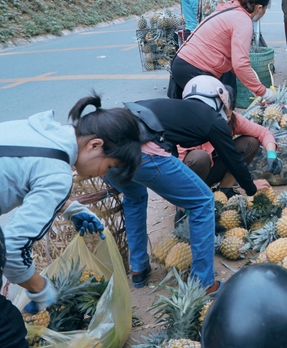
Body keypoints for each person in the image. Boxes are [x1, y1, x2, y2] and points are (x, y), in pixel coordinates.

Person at [105, 76, 273, 292]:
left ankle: (138, 268)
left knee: (134, 199)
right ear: (219, 99)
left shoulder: (175, 109)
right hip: (144, 154)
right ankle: (204, 283)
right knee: (203, 202)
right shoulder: (210, 118)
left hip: (108, 154)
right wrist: (251, 189)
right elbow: (233, 159)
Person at [0, 96, 141, 341]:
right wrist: (39, 288)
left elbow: (21, 174)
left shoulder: (39, 129)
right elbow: (12, 249)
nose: (104, 174)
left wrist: (68, 207)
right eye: (109, 166)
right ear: (95, 145)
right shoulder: (58, 171)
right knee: (8, 331)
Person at [168, 0, 276, 104]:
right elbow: (240, 64)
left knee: (197, 114)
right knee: (217, 112)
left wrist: (253, 86)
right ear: (259, 8)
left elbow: (236, 61)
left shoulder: (230, 8)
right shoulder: (243, 20)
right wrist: (262, 92)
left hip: (182, 62)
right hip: (195, 68)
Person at [178, 82, 282, 198]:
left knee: (251, 142)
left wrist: (271, 153)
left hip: (214, 169)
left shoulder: (233, 120)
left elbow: (263, 132)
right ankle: (192, 198)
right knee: (200, 157)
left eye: (228, 116)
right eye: (222, 115)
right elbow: (176, 166)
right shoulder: (192, 124)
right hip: (190, 177)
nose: (225, 120)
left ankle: (225, 190)